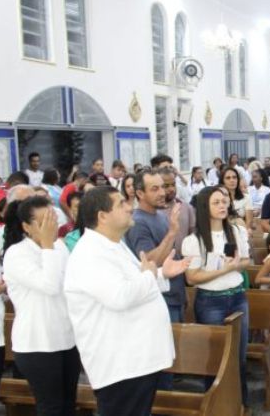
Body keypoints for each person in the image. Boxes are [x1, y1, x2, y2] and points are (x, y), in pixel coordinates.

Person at [64, 186, 189, 416]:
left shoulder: (113, 244)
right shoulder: (89, 254)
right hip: (121, 363)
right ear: (102, 216)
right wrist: (150, 275)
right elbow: (120, 296)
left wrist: (162, 274)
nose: (129, 207)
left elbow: (134, 284)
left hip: (136, 360)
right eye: (121, 204)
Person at [2, 197, 79, 415]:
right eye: (43, 222)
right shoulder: (16, 254)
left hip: (66, 339)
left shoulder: (60, 248)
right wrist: (47, 247)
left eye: (53, 219)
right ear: (26, 227)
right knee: (50, 406)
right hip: (37, 344)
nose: (51, 226)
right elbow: (50, 285)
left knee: (68, 405)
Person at [181, 186, 251, 407]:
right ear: (205, 207)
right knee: (216, 359)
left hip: (237, 297)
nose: (223, 206)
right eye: (216, 202)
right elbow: (192, 278)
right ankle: (216, 406)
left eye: (224, 201)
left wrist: (237, 264)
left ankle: (241, 404)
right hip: (211, 301)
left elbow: (247, 261)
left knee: (239, 356)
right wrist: (225, 269)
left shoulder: (236, 231)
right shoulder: (194, 240)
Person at [124, 171, 186, 326]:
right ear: (140, 193)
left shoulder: (160, 215)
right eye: (154, 189)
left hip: (175, 294)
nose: (162, 193)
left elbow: (170, 255)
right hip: (160, 298)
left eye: (162, 187)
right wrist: (172, 233)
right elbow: (150, 262)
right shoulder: (138, 222)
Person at [159, 167, 195, 258]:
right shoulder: (153, 211)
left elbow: (194, 237)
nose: (171, 189)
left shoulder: (187, 208)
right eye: (166, 186)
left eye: (173, 184)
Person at [220, 167, 253, 232]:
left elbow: (249, 222)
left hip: (242, 231)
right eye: (228, 178)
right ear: (222, 181)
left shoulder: (246, 197)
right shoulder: (219, 198)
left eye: (234, 177)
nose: (232, 180)